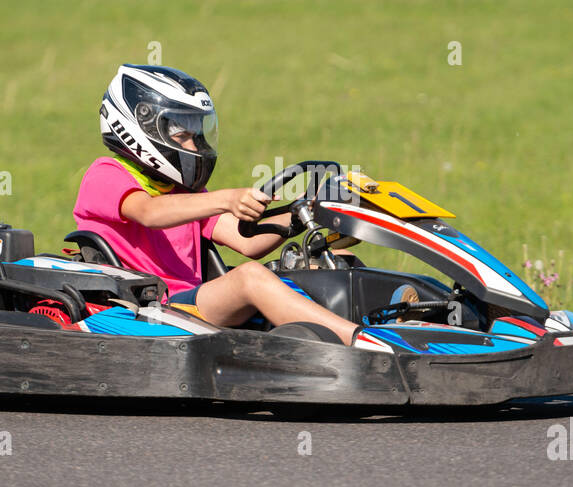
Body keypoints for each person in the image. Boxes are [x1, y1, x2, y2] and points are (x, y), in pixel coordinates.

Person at [73, 64, 363, 345]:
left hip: (195, 303)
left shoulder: (182, 193)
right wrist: (225, 199)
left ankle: (399, 322)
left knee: (335, 262)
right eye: (183, 137)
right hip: (151, 309)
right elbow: (148, 212)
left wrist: (308, 210)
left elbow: (246, 242)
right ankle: (360, 340)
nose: (195, 148)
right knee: (249, 278)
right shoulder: (105, 175)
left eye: (197, 137)